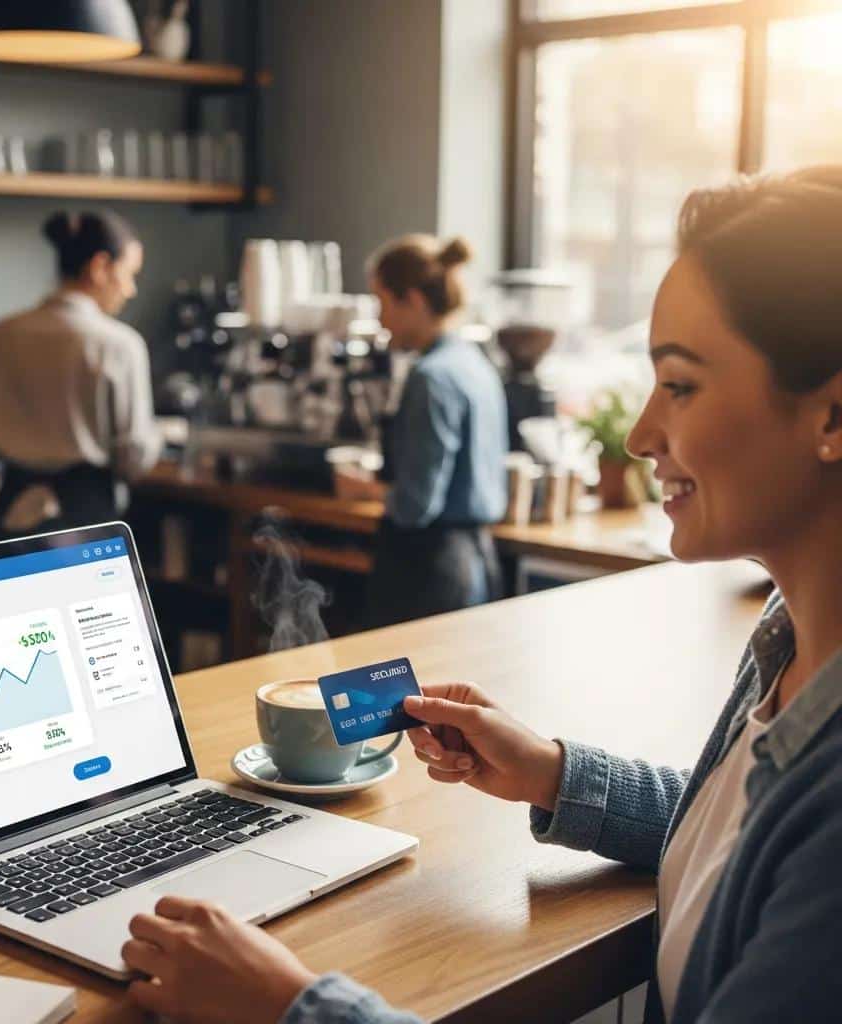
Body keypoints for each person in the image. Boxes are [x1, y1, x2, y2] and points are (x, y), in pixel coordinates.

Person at [119, 168, 842, 1023]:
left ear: (831, 418)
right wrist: (554, 772)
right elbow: (733, 833)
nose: (642, 433)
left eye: (679, 384)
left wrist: (291, 1007)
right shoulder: (785, 645)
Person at [0, 210, 163, 533]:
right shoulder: (119, 345)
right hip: (87, 519)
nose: (131, 290)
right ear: (99, 267)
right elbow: (132, 459)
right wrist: (160, 436)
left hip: (9, 513)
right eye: (128, 274)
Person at [360, 234, 507, 628]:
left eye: (382, 301)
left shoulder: (430, 378)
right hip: (479, 563)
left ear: (414, 300)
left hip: (431, 574)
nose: (380, 318)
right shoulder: (476, 364)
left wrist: (363, 489)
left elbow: (415, 504)